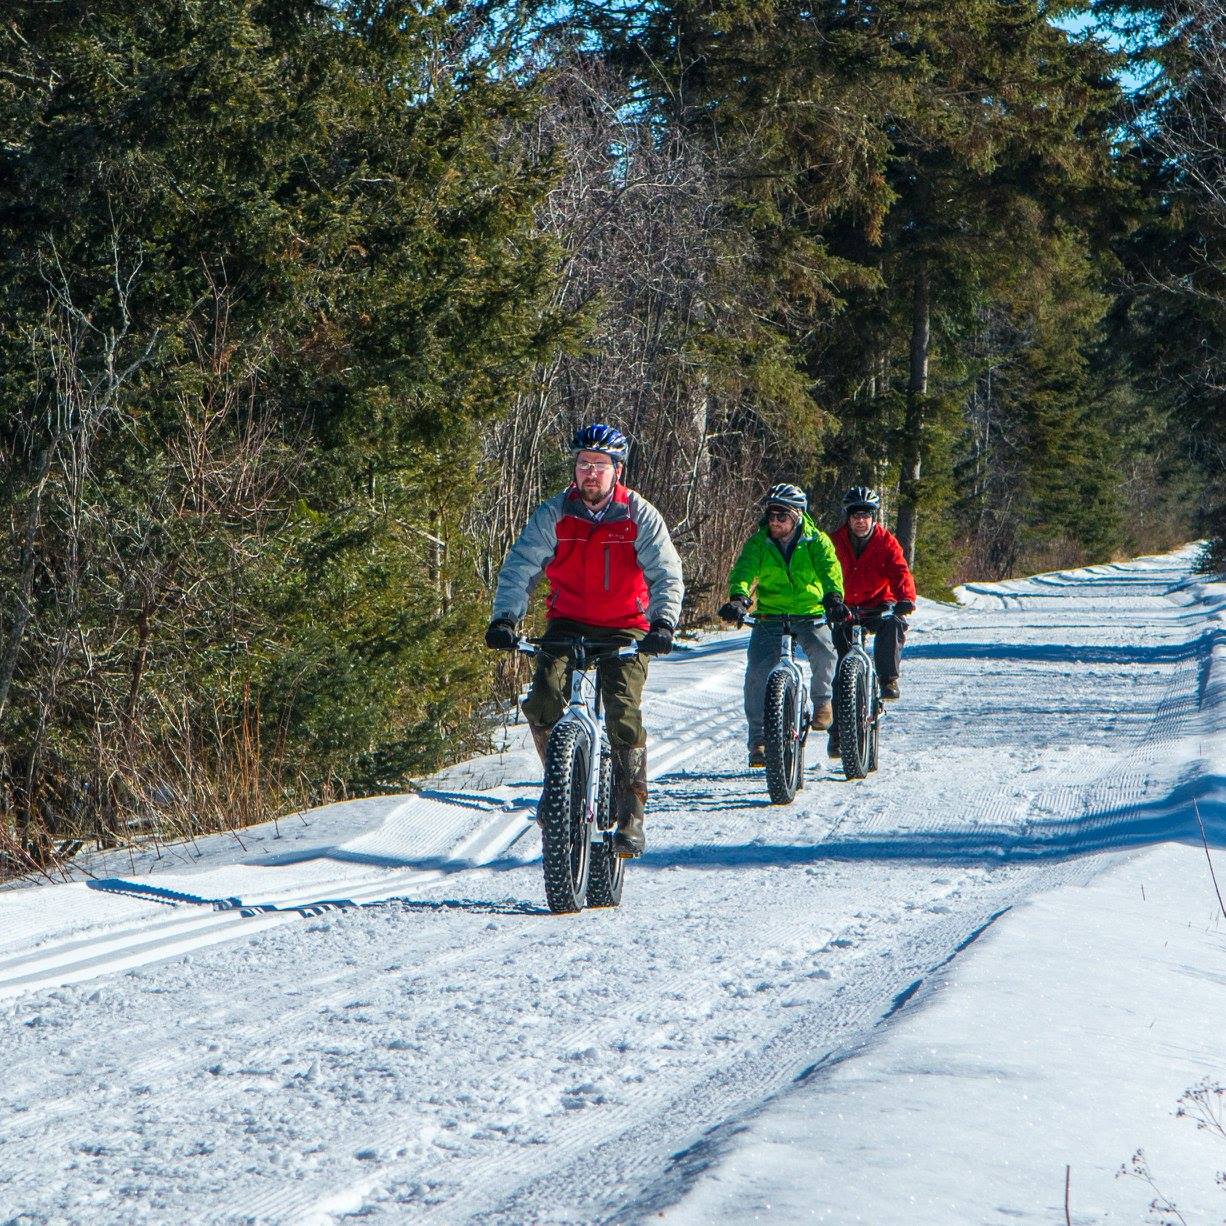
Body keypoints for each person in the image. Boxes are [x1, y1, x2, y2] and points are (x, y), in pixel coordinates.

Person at [484, 423, 684, 858]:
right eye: (582, 464)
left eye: (599, 465)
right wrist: (505, 617)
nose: (589, 473)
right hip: (568, 621)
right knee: (543, 697)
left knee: (621, 708)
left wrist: (663, 622)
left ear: (618, 470)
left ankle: (632, 811)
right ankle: (558, 784)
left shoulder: (639, 515)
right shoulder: (554, 513)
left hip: (626, 626)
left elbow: (665, 572)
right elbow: (522, 566)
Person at [718, 484, 846, 769]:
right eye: (772, 516)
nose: (775, 522)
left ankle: (823, 701)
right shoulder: (759, 542)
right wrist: (739, 599)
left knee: (826, 652)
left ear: (798, 516)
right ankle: (760, 739)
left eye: (782, 517)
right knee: (757, 672)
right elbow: (744, 570)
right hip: (771, 615)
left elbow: (830, 570)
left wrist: (833, 597)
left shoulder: (817, 541)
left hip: (809, 612)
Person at [829, 485, 916, 726]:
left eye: (866, 515)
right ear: (848, 517)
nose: (861, 521)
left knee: (894, 623)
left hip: (878, 604)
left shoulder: (886, 542)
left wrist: (906, 598)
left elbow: (900, 571)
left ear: (873, 517)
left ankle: (887, 678)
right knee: (842, 672)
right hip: (845, 607)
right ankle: (838, 733)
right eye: (856, 515)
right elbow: (822, 573)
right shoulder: (834, 541)